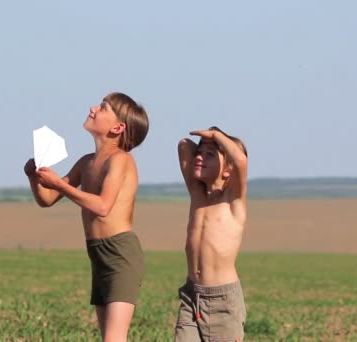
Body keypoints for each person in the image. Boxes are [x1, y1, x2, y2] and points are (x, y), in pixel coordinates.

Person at [23, 92, 149, 342]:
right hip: (97, 253)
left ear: (118, 127)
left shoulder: (121, 161)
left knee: (114, 339)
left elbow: (103, 206)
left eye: (103, 107)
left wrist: (59, 184)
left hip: (120, 254)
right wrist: (33, 178)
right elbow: (47, 200)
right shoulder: (86, 162)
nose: (93, 108)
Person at [175, 126, 249, 341]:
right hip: (192, 295)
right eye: (199, 153)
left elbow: (240, 160)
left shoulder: (234, 199)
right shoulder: (197, 194)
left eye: (210, 155)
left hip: (222, 301)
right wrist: (207, 141)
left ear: (228, 170)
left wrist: (217, 136)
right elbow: (183, 145)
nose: (199, 157)